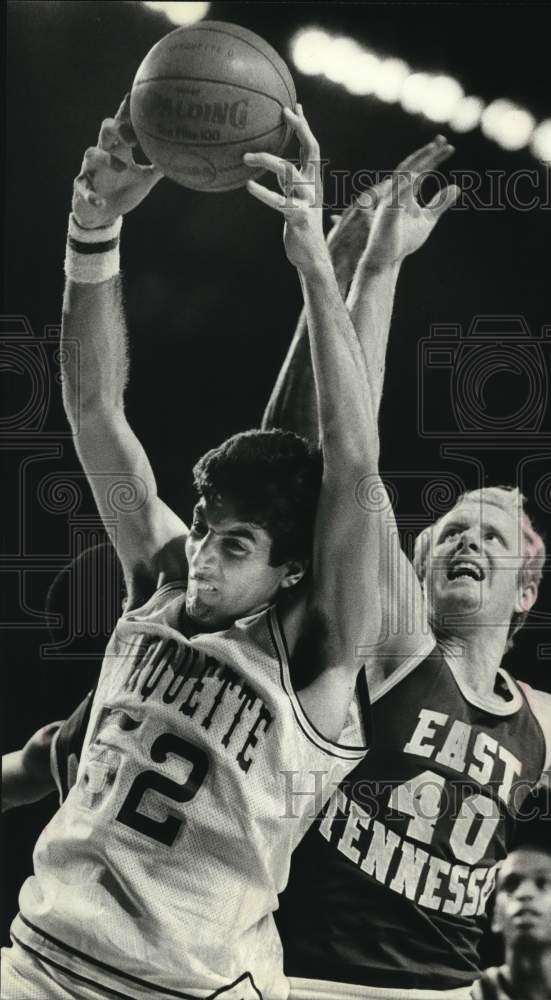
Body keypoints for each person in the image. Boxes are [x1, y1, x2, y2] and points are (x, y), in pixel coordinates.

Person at [1, 99, 383, 1000]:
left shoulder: (318, 652)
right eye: (206, 526)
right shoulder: (164, 577)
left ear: (291, 568)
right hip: (41, 959)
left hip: (186, 988)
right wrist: (91, 227)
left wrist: (313, 264)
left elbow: (355, 463)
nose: (204, 551)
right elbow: (96, 413)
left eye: (235, 543)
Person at [261, 151, 551, 996]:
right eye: (444, 532)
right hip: (313, 979)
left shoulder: (546, 726)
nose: (462, 541)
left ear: (526, 591)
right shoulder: (398, 641)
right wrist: (378, 264)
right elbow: (349, 453)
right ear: (413, 564)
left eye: (489, 534)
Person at [472, 847, 551, 999]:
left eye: (542, 883)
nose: (524, 893)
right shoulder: (471, 994)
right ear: (496, 916)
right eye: (511, 885)